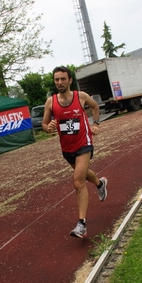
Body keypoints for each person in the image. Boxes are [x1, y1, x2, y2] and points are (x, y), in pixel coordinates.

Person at [42, 66, 108, 239]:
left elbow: (95, 108)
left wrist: (96, 124)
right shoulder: (51, 102)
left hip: (84, 143)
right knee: (84, 174)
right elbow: (44, 124)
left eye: (63, 79)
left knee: (78, 182)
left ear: (70, 80)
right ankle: (100, 184)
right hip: (67, 147)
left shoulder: (81, 97)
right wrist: (48, 127)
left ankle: (82, 224)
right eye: (57, 79)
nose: (60, 82)